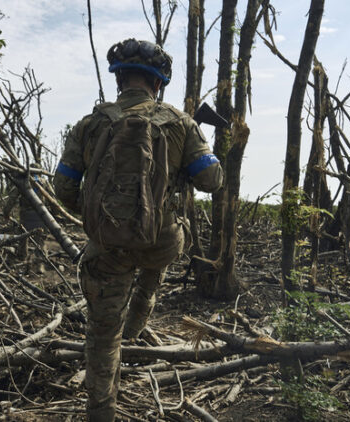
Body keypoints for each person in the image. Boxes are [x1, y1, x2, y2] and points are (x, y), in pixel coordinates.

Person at [53, 38, 223, 421]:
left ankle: (101, 412)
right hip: (161, 243)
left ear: (119, 80)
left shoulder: (89, 124)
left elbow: (62, 187)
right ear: (159, 83)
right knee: (164, 244)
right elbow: (212, 180)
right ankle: (142, 306)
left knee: (102, 336)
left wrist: (97, 217)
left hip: (108, 249)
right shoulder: (181, 122)